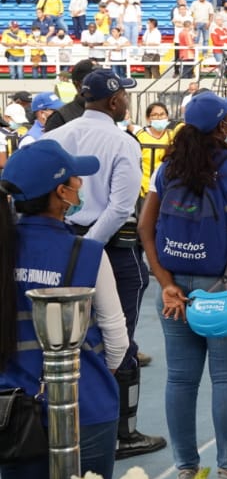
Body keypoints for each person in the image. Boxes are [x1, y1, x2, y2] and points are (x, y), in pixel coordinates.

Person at [42, 69, 167, 459]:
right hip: (109, 248)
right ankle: (122, 433)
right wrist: (89, 250)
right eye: (124, 96)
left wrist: (72, 245)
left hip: (64, 241)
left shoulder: (56, 136)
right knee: (119, 337)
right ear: (114, 101)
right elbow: (120, 206)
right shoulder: (122, 141)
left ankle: (65, 422)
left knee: (64, 335)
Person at [138, 92, 227, 479]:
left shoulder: (168, 167)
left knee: (180, 380)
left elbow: (144, 228)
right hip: (222, 287)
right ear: (223, 125)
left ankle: (185, 472)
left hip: (175, 290)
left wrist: (165, 282)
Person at [0, 141, 127, 479]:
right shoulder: (86, 253)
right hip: (84, 407)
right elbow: (117, 341)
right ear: (62, 193)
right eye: (76, 180)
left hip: (12, 413)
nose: (80, 185)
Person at [135, 101, 175, 200]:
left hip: (168, 188)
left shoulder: (173, 135)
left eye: (162, 114)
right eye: (155, 115)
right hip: (146, 189)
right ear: (148, 118)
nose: (159, 117)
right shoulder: (140, 136)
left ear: (167, 116)